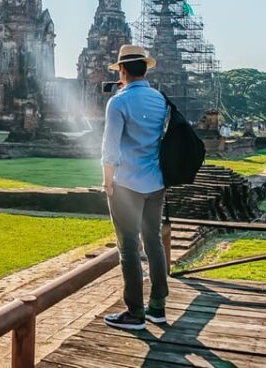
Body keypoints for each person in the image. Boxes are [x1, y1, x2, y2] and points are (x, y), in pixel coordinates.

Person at [101, 44, 169, 330]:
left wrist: (107, 181)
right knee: (153, 241)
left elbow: (110, 148)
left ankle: (135, 312)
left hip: (126, 184)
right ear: (145, 70)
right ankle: (158, 306)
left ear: (122, 70)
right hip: (155, 182)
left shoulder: (119, 102)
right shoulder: (160, 100)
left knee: (128, 247)